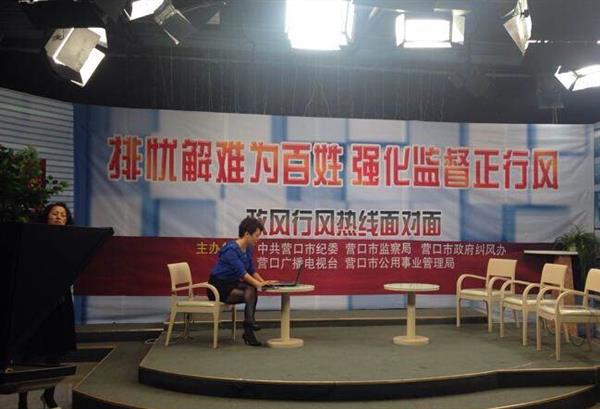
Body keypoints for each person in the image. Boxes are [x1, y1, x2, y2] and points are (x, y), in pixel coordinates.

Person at [18, 202, 76, 409]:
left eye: (63, 215)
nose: (59, 217)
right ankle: (22, 401)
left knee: (55, 351)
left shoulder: (72, 241)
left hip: (60, 302)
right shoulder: (34, 238)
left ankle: (49, 396)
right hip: (36, 301)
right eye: (55, 214)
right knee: (28, 354)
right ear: (46, 216)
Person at [208, 217, 277, 346]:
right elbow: (243, 273)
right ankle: (249, 329)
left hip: (231, 283)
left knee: (251, 289)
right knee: (251, 291)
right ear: (247, 234)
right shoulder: (231, 250)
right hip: (217, 287)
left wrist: (263, 282)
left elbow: (251, 270)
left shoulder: (248, 248)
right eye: (256, 235)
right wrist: (259, 285)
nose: (258, 239)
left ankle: (249, 327)